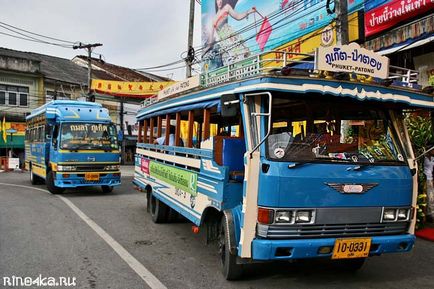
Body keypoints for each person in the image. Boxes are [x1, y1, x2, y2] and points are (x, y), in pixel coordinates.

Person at [203, 0, 256, 69]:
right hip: (225, 43)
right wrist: (203, 51)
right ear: (215, 2)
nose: (220, 2)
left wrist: (248, 12)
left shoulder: (227, 8)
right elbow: (210, 42)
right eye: (218, 0)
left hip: (233, 37)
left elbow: (238, 16)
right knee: (232, 63)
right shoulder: (213, 20)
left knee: (243, 55)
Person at [423, 147, 434, 222]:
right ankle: (427, 214)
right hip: (425, 178)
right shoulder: (424, 157)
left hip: (431, 179)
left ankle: (431, 213)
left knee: (431, 196)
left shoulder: (433, 158)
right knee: (426, 196)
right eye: (432, 150)